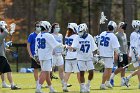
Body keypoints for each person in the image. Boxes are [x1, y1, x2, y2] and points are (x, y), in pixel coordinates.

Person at [35, 21, 65, 93]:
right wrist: (65, 46)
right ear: (46, 27)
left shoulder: (38, 35)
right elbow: (56, 44)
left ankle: (51, 89)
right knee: (45, 72)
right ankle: (38, 88)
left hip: (41, 56)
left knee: (47, 73)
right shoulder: (48, 35)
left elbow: (36, 47)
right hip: (47, 56)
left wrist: (36, 56)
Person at [67, 23, 98, 92]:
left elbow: (94, 48)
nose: (79, 33)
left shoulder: (90, 37)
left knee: (91, 72)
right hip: (80, 58)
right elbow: (74, 48)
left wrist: (95, 55)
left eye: (81, 31)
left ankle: (88, 84)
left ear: (85, 30)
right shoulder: (77, 37)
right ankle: (82, 87)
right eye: (79, 32)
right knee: (81, 73)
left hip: (89, 57)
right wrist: (68, 47)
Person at [99, 21, 120, 89]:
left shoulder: (102, 33)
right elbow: (116, 48)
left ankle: (108, 82)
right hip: (108, 54)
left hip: (102, 53)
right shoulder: (113, 36)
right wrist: (119, 54)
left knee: (110, 68)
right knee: (107, 69)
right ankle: (102, 84)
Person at [0, 21, 21, 90]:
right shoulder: (1, 34)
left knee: (6, 70)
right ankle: (12, 85)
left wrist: (7, 45)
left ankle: (12, 85)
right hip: (1, 57)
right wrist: (3, 27)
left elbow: (2, 47)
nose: (6, 28)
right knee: (7, 70)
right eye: (5, 27)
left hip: (2, 56)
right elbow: (6, 33)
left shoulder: (1, 36)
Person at [63, 23, 80, 92]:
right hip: (75, 57)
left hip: (67, 57)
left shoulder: (66, 36)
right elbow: (76, 47)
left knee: (67, 73)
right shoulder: (76, 36)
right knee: (79, 72)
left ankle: (64, 86)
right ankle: (82, 85)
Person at [110, 22, 128, 86]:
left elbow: (125, 44)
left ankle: (122, 81)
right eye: (122, 26)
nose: (123, 27)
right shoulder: (117, 35)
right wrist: (115, 54)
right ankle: (111, 77)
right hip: (120, 53)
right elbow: (115, 45)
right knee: (120, 67)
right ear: (119, 27)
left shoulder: (124, 34)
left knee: (124, 68)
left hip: (125, 53)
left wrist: (127, 52)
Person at [123, 20, 140, 89]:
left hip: (138, 53)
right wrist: (137, 55)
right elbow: (133, 46)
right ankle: (127, 78)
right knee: (138, 70)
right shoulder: (133, 34)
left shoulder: (138, 34)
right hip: (136, 54)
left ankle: (128, 78)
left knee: (139, 70)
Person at [27, 21, 41, 88]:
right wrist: (30, 54)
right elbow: (28, 45)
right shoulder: (31, 35)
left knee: (45, 69)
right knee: (36, 69)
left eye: (39, 26)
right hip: (34, 55)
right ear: (35, 27)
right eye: (37, 26)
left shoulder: (42, 35)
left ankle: (41, 82)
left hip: (42, 55)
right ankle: (37, 83)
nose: (38, 27)